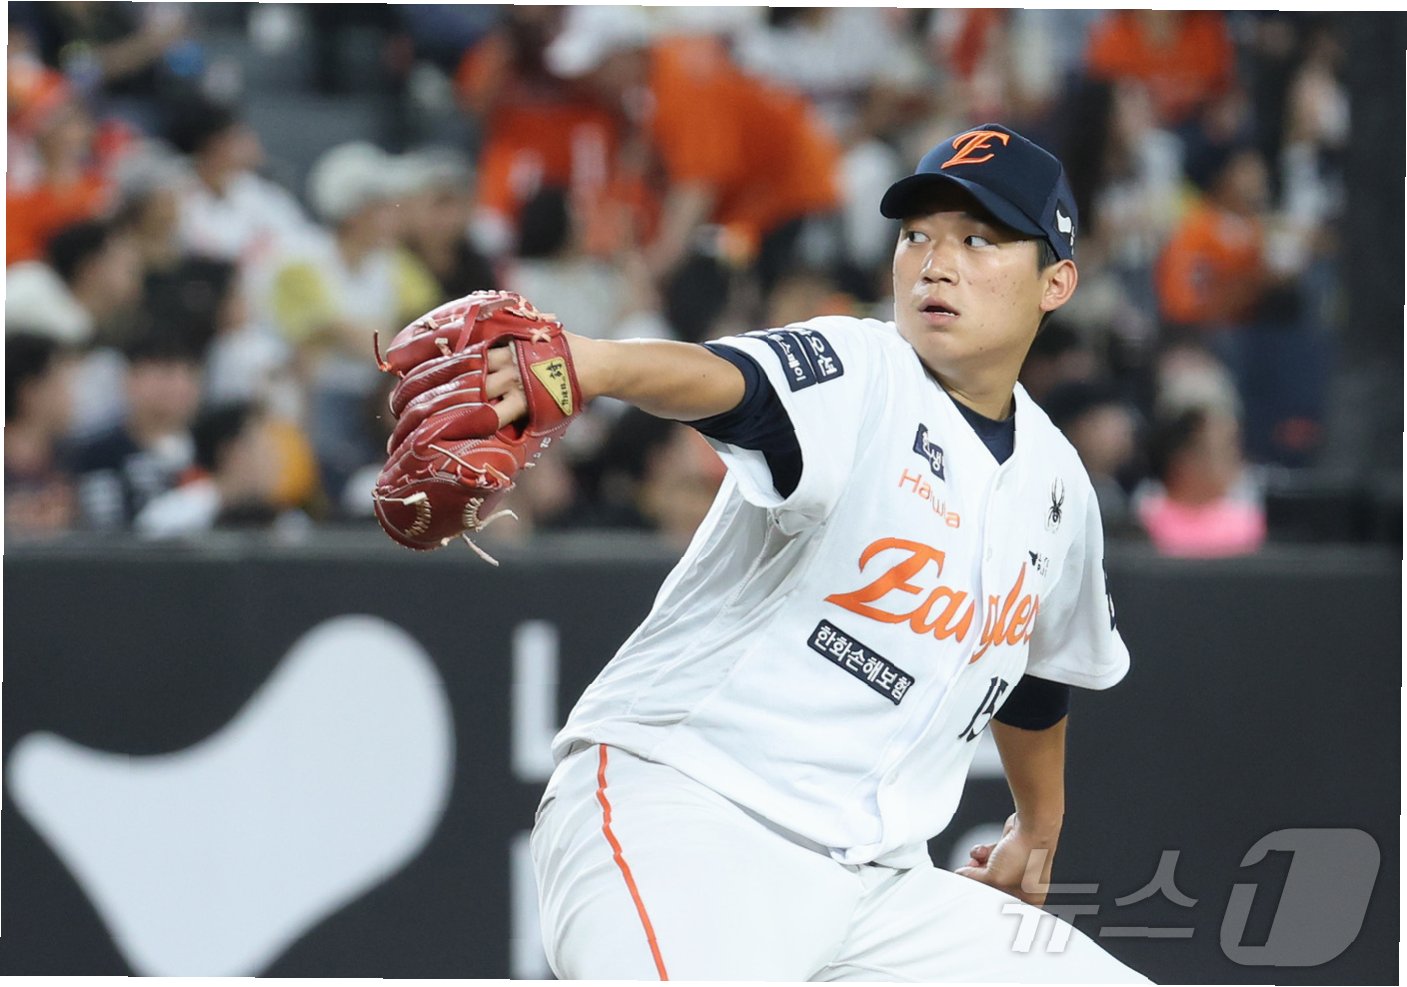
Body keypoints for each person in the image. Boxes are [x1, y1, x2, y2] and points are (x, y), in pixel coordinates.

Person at [484, 124, 1147, 980]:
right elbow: (736, 388)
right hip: (688, 809)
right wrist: (595, 364)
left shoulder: (1055, 479)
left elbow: (1034, 671)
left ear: (1056, 281)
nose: (935, 264)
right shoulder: (860, 365)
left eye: (978, 240)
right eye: (917, 235)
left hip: (882, 884)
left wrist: (1038, 826)